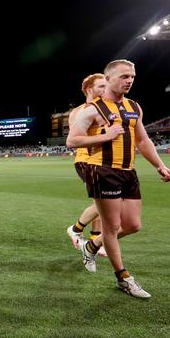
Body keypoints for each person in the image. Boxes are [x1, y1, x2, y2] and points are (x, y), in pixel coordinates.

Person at [66, 59, 170, 299]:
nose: (129, 81)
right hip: (101, 170)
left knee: (134, 225)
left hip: (128, 171)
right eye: (124, 76)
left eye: (132, 77)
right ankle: (123, 278)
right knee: (112, 227)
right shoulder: (93, 109)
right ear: (109, 79)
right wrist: (105, 136)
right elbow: (72, 141)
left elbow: (143, 140)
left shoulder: (134, 107)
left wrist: (160, 165)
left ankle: (91, 246)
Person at [66, 73, 107, 257]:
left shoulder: (102, 108)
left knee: (100, 201)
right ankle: (76, 229)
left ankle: (94, 241)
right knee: (105, 202)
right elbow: (76, 138)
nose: (105, 90)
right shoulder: (80, 111)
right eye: (101, 87)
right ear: (90, 89)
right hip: (86, 160)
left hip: (99, 160)